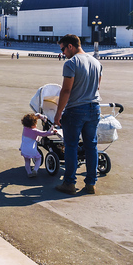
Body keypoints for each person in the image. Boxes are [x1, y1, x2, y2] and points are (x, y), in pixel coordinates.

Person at [54, 34, 103, 195]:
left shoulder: (71, 63)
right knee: (91, 146)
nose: (62, 53)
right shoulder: (96, 62)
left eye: (63, 49)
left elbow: (66, 90)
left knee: (71, 146)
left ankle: (69, 183)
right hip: (94, 108)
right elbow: (97, 87)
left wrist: (59, 112)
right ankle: (90, 183)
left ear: (70, 46)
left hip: (76, 110)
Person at [20, 113, 51, 178]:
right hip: (31, 149)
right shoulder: (35, 131)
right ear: (34, 124)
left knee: (27, 161)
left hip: (23, 149)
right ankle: (35, 170)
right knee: (38, 158)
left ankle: (29, 173)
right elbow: (45, 133)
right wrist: (53, 132)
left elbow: (30, 119)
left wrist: (38, 116)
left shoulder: (25, 128)